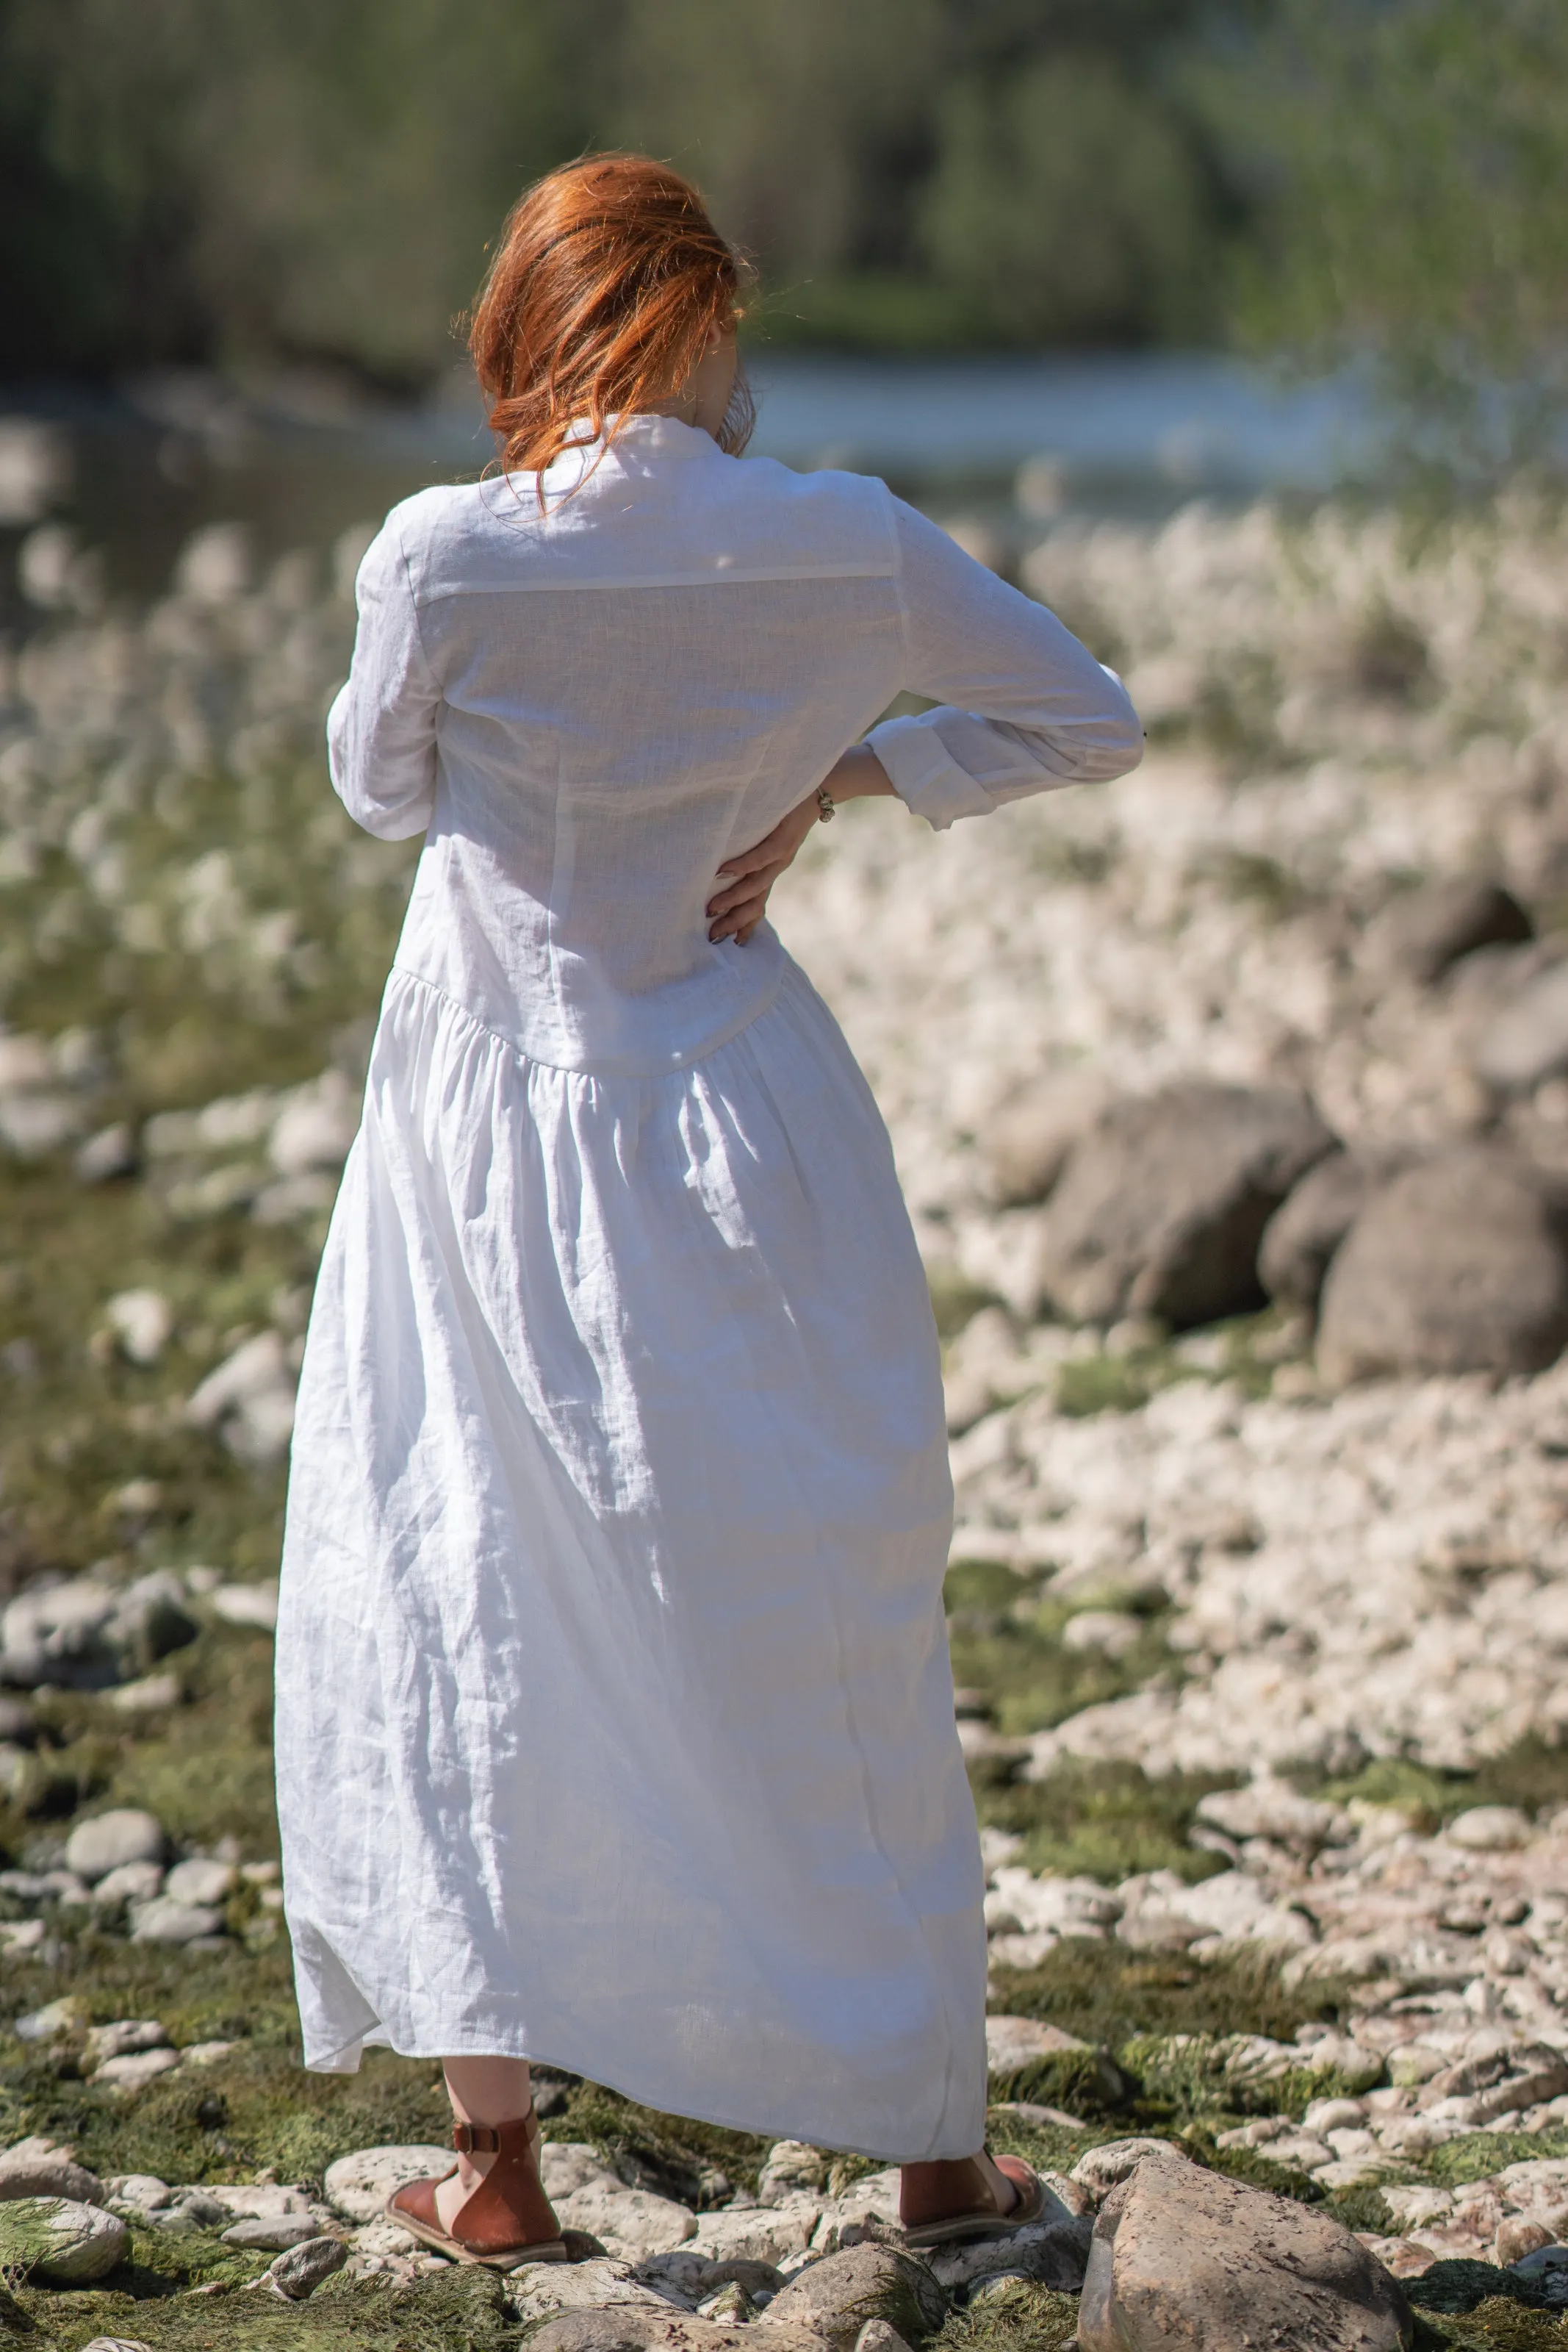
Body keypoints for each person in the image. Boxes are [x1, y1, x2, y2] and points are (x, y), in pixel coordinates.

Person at [274, 151, 1143, 2270]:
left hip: (485, 1115)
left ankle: (498, 2174)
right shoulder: (834, 540)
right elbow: (1082, 719)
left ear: (529, 328)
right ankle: (930, 2154)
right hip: (738, 1105)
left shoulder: (446, 554)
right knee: (820, 1596)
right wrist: (831, 781)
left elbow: (382, 790)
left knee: (451, 1580)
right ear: (705, 318)